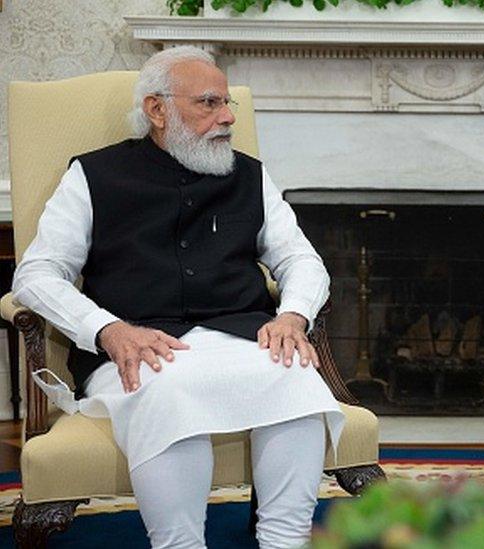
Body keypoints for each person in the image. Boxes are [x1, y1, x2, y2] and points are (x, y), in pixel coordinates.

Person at [12, 46, 345, 548]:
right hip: (139, 346)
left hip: (241, 337)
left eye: (227, 103)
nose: (229, 117)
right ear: (157, 110)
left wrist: (294, 315)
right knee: (168, 390)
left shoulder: (250, 175)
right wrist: (109, 329)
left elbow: (302, 259)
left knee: (295, 376)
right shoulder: (93, 176)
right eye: (209, 103)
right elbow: (36, 273)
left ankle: (285, 540)